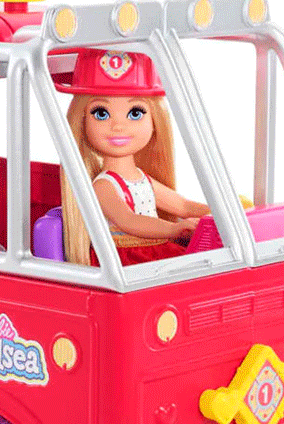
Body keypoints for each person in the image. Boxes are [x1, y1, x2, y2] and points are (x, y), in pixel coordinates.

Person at [58, 49, 210, 266]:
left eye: (135, 113)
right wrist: (173, 229)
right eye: (101, 113)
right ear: (81, 123)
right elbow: (128, 220)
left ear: (155, 121)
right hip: (128, 259)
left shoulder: (141, 178)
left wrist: (218, 212)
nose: (118, 126)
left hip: (153, 251)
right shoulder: (104, 185)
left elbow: (182, 206)